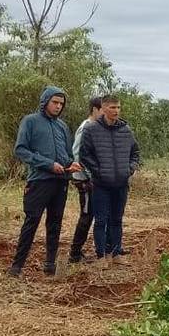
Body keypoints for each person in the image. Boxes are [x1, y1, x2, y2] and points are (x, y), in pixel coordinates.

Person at [9, 87, 80, 277]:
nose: (58, 106)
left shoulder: (62, 127)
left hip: (60, 182)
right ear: (45, 101)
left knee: (55, 223)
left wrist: (70, 165)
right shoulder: (30, 121)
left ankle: (50, 263)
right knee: (31, 221)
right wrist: (48, 164)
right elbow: (21, 150)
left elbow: (67, 154)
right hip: (39, 181)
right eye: (55, 102)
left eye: (61, 104)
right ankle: (17, 266)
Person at [79, 94, 140, 268]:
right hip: (101, 185)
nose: (116, 111)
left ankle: (115, 253)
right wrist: (98, 172)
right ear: (103, 108)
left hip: (121, 183)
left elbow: (135, 152)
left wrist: (129, 168)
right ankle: (100, 257)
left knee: (117, 219)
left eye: (118, 107)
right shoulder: (91, 129)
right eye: (112, 107)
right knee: (100, 221)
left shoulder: (126, 129)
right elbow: (85, 155)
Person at [68, 97, 103, 264]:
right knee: (87, 214)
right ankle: (74, 253)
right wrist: (88, 176)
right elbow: (77, 155)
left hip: (93, 178)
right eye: (103, 109)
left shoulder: (96, 127)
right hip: (84, 179)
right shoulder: (86, 127)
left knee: (95, 213)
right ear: (95, 109)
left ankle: (102, 248)